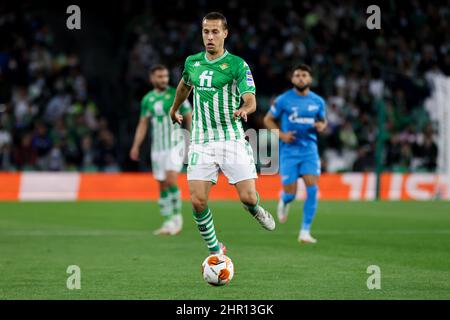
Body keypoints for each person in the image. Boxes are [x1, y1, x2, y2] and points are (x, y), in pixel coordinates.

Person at [169, 12, 275, 255]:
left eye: (215, 31)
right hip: (200, 140)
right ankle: (216, 250)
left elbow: (251, 99)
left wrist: (244, 109)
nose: (210, 36)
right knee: (197, 200)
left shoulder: (238, 64)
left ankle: (256, 209)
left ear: (225, 33)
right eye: (206, 31)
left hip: (231, 138)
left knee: (248, 198)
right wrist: (174, 108)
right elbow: (185, 85)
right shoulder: (192, 62)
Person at [264, 64, 327, 244]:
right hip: (289, 152)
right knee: (291, 194)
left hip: (309, 151)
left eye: (304, 75)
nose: (301, 78)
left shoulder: (318, 101)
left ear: (310, 79)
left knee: (312, 189)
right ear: (292, 79)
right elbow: (267, 119)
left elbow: (323, 121)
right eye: (297, 75)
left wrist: (322, 126)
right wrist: (282, 135)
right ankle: (284, 201)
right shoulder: (283, 100)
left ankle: (305, 231)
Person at [130, 64, 192, 235]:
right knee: (162, 185)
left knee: (171, 180)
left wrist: (190, 139)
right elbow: (143, 124)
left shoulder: (177, 93)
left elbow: (189, 116)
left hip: (175, 144)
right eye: (160, 76)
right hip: (157, 148)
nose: (164, 79)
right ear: (152, 79)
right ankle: (168, 221)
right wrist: (136, 145)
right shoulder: (147, 99)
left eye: (165, 76)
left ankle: (178, 218)